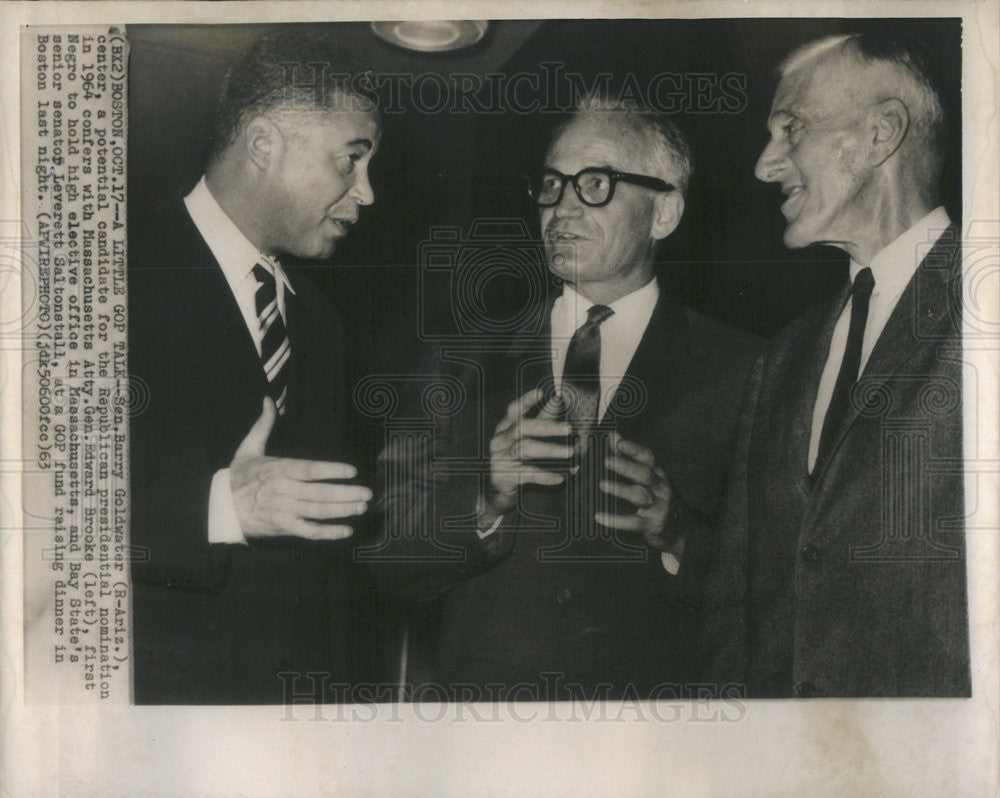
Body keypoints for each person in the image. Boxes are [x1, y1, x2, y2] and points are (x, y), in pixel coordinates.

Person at [370, 96, 762, 700]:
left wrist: (679, 534)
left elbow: (784, 579)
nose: (562, 209)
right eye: (551, 185)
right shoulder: (458, 358)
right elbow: (386, 553)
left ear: (665, 212)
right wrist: (485, 497)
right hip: (487, 730)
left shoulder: (747, 369)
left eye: (596, 184)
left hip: (651, 738)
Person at [702, 32, 969, 697]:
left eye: (789, 129)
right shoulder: (785, 354)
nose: (766, 165)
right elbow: (734, 599)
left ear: (881, 133)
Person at [128, 30, 380, 703]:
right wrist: (220, 505)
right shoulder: (105, 273)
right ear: (264, 145)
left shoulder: (322, 321)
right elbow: (36, 517)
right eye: (350, 161)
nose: (368, 193)